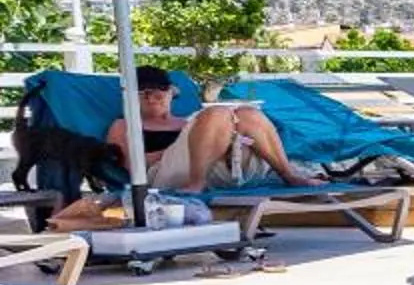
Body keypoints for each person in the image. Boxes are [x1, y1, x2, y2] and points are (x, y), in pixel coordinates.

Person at [105, 67, 316, 193]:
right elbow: (131, 166)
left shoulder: (188, 121)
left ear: (172, 93)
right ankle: (196, 183)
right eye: (143, 93)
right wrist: (189, 145)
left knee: (248, 114)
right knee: (217, 113)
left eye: (160, 91)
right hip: (167, 175)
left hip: (227, 169)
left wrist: (215, 141)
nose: (153, 98)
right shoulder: (124, 125)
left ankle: (288, 174)